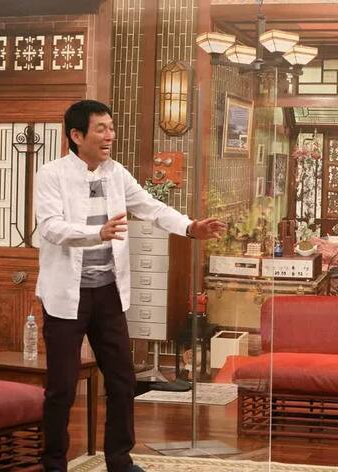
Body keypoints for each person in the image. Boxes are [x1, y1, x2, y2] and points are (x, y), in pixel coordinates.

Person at [34, 100, 226, 472]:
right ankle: (54, 464)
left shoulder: (116, 173)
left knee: (122, 380)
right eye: (101, 129)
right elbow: (51, 228)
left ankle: (119, 461)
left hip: (108, 293)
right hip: (66, 296)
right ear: (77, 135)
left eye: (111, 127)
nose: (110, 135)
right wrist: (97, 233)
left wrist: (190, 227)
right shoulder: (52, 174)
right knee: (62, 386)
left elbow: (151, 207)